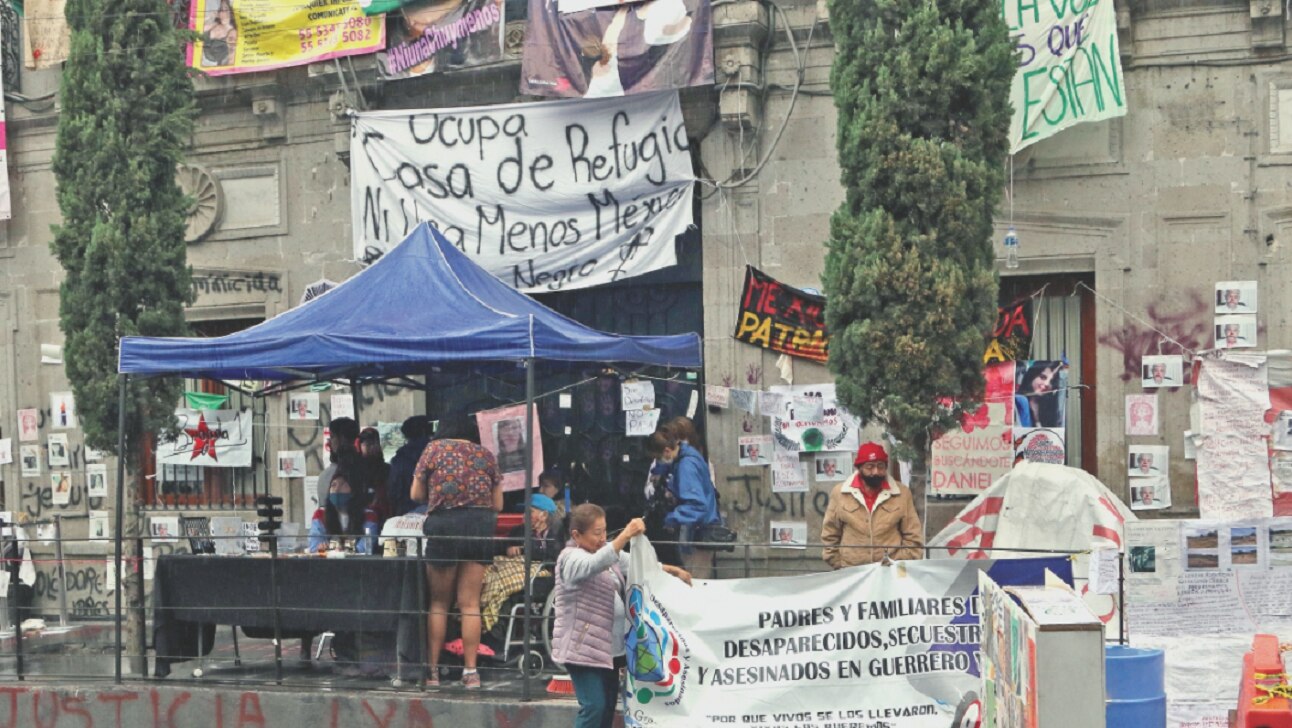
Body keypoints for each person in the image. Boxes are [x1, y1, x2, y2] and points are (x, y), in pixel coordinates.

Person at [552, 507, 690, 728]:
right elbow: (594, 564)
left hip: (610, 648)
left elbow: (639, 565)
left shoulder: (608, 551)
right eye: (596, 533)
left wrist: (674, 571)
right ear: (577, 535)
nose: (602, 538)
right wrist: (625, 535)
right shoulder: (570, 559)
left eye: (604, 531)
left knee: (607, 707)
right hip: (583, 648)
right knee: (593, 706)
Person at [410, 416, 503, 689]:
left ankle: (433, 672)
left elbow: (416, 494)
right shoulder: (486, 455)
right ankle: (470, 672)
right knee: (470, 604)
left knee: (439, 603)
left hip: (444, 526)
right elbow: (497, 504)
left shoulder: (434, 449)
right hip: (479, 527)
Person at [821, 442, 923, 569]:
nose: (876, 472)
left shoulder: (901, 493)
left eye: (880, 466)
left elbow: (913, 535)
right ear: (859, 468)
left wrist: (899, 563)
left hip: (889, 570)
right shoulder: (840, 493)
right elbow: (830, 533)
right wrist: (839, 564)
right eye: (870, 467)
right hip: (851, 570)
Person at [646, 429, 721, 579]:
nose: (658, 460)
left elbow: (696, 505)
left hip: (697, 533)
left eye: (658, 457)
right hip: (697, 531)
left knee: (695, 582)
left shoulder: (686, 466)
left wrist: (671, 518)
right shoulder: (685, 455)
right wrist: (661, 469)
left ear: (667, 451)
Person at [308, 466, 380, 554]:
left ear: (354, 491)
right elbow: (314, 544)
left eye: (343, 485)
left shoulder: (369, 515)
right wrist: (324, 548)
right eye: (333, 485)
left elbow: (366, 546)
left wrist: (342, 551)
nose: (337, 490)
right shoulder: (320, 514)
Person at [387, 415, 433, 517]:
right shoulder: (434, 454)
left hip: (405, 511)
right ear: (424, 431)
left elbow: (393, 491)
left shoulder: (399, 458)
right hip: (431, 511)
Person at [317, 418, 360, 508]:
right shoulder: (369, 469)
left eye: (332, 437)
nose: (330, 442)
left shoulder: (327, 476)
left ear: (342, 439)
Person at [357, 427, 392, 525]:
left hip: (382, 517)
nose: (368, 447)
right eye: (364, 443)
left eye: (372, 443)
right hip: (362, 517)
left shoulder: (386, 469)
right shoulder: (356, 469)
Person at [1017, 361, 1063, 427]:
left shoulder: (1051, 409)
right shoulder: (1018, 402)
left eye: (1051, 381)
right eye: (1043, 377)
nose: (1047, 384)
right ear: (1032, 376)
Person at [202, 0, 238, 67]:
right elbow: (197, 30)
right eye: (221, 10)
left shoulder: (233, 33)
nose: (223, 13)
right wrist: (211, 17)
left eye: (226, 9)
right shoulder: (215, 25)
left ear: (231, 12)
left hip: (211, 66)